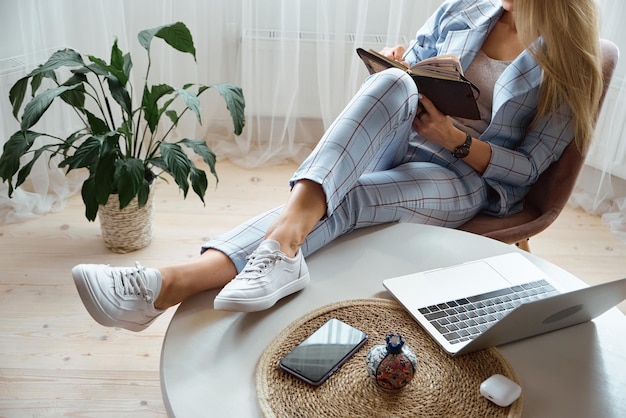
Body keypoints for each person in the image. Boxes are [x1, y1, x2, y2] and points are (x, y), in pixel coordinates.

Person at [71, 0, 604, 332]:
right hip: (409, 135)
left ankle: (165, 284)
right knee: (393, 83)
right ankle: (280, 250)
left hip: (465, 178)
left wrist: (455, 140)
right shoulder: (468, 6)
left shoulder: (570, 60)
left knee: (350, 199)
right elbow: (414, 64)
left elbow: (530, 168)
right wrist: (399, 67)